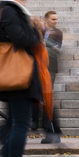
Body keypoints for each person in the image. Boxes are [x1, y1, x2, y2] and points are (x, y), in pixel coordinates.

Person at [0, 0, 43, 157]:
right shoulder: (11, 11)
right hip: (19, 76)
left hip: (13, 75)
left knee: (13, 124)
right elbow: (23, 39)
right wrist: (35, 29)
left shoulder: (6, 11)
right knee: (20, 125)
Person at [32, 10, 63, 143]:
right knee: (44, 100)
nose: (55, 22)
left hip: (46, 71)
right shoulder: (39, 37)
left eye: (56, 19)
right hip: (42, 71)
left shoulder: (56, 33)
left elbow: (56, 49)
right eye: (53, 19)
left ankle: (51, 130)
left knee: (45, 100)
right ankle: (50, 129)